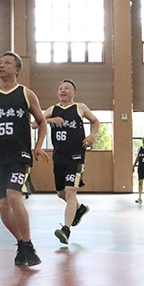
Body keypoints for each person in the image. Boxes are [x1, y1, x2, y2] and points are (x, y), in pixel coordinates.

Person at [0, 51, 48, 266]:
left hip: (19, 155)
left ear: (17, 70)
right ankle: (22, 244)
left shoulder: (26, 94)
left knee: (14, 196)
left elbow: (42, 122)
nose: (1, 65)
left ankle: (28, 244)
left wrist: (38, 146)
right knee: (3, 206)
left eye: (7, 63)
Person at [45, 79, 99, 244]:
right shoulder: (52, 110)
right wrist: (51, 120)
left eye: (67, 88)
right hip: (58, 157)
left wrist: (92, 135)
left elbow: (96, 121)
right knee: (61, 193)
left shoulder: (80, 107)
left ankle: (66, 230)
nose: (63, 90)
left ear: (74, 93)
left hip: (76, 156)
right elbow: (34, 124)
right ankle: (79, 208)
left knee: (70, 191)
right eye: (60, 88)